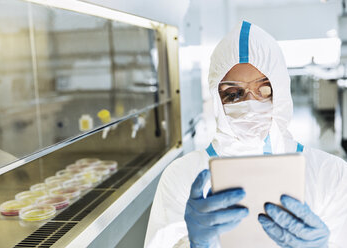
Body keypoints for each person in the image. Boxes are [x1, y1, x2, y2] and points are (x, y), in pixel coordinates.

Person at [144, 21, 347, 248]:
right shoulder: (182, 177)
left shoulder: (331, 174)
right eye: (234, 94)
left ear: (280, 90)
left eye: (264, 90)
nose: (250, 104)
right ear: (216, 99)